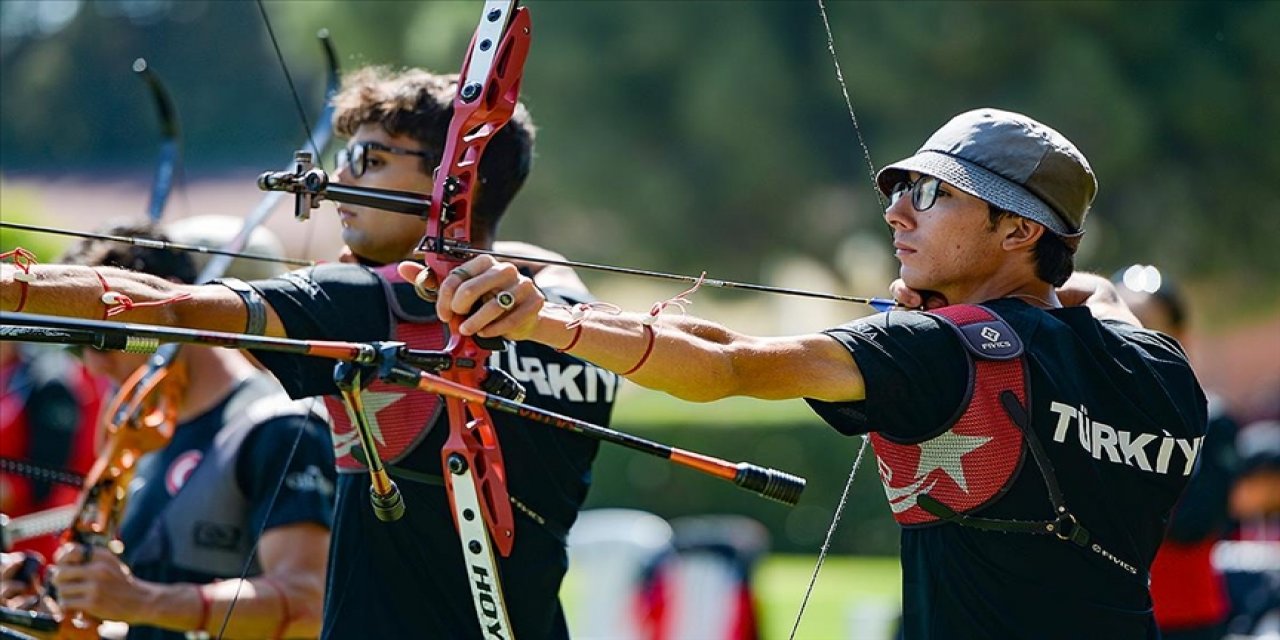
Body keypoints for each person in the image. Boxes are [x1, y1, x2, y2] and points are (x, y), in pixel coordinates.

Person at [434, 108, 1210, 639]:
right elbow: (1092, 293)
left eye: (932, 194)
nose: (898, 212)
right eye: (902, 191)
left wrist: (540, 322)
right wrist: (982, 294)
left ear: (1017, 227)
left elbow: (728, 366)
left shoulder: (942, 350)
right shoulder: (1157, 361)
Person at [0, 66, 617, 638]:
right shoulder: (571, 317)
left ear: (457, 179)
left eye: (368, 159)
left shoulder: (375, 303)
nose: (340, 180)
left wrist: (17, 286)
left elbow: (172, 306)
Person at [0, 223, 337, 640]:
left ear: (158, 305)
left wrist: (139, 601)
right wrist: (54, 615)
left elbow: (306, 604)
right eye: (80, 344)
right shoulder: (141, 432)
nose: (93, 365)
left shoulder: (278, 427)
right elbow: (145, 615)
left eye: (103, 339)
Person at [1113, 264, 1240, 640]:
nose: (1127, 336)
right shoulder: (1086, 414)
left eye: (1145, 323)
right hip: (1115, 613)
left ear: (1180, 335)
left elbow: (1199, 520)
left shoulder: (1211, 420)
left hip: (1188, 618)